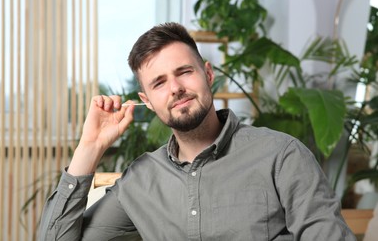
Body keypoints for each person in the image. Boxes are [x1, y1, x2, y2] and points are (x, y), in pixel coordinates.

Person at [39, 22, 356, 240]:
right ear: (148, 102)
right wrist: (90, 148)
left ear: (208, 74)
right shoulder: (139, 181)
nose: (175, 88)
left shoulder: (281, 156)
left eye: (184, 72)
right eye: (160, 82)